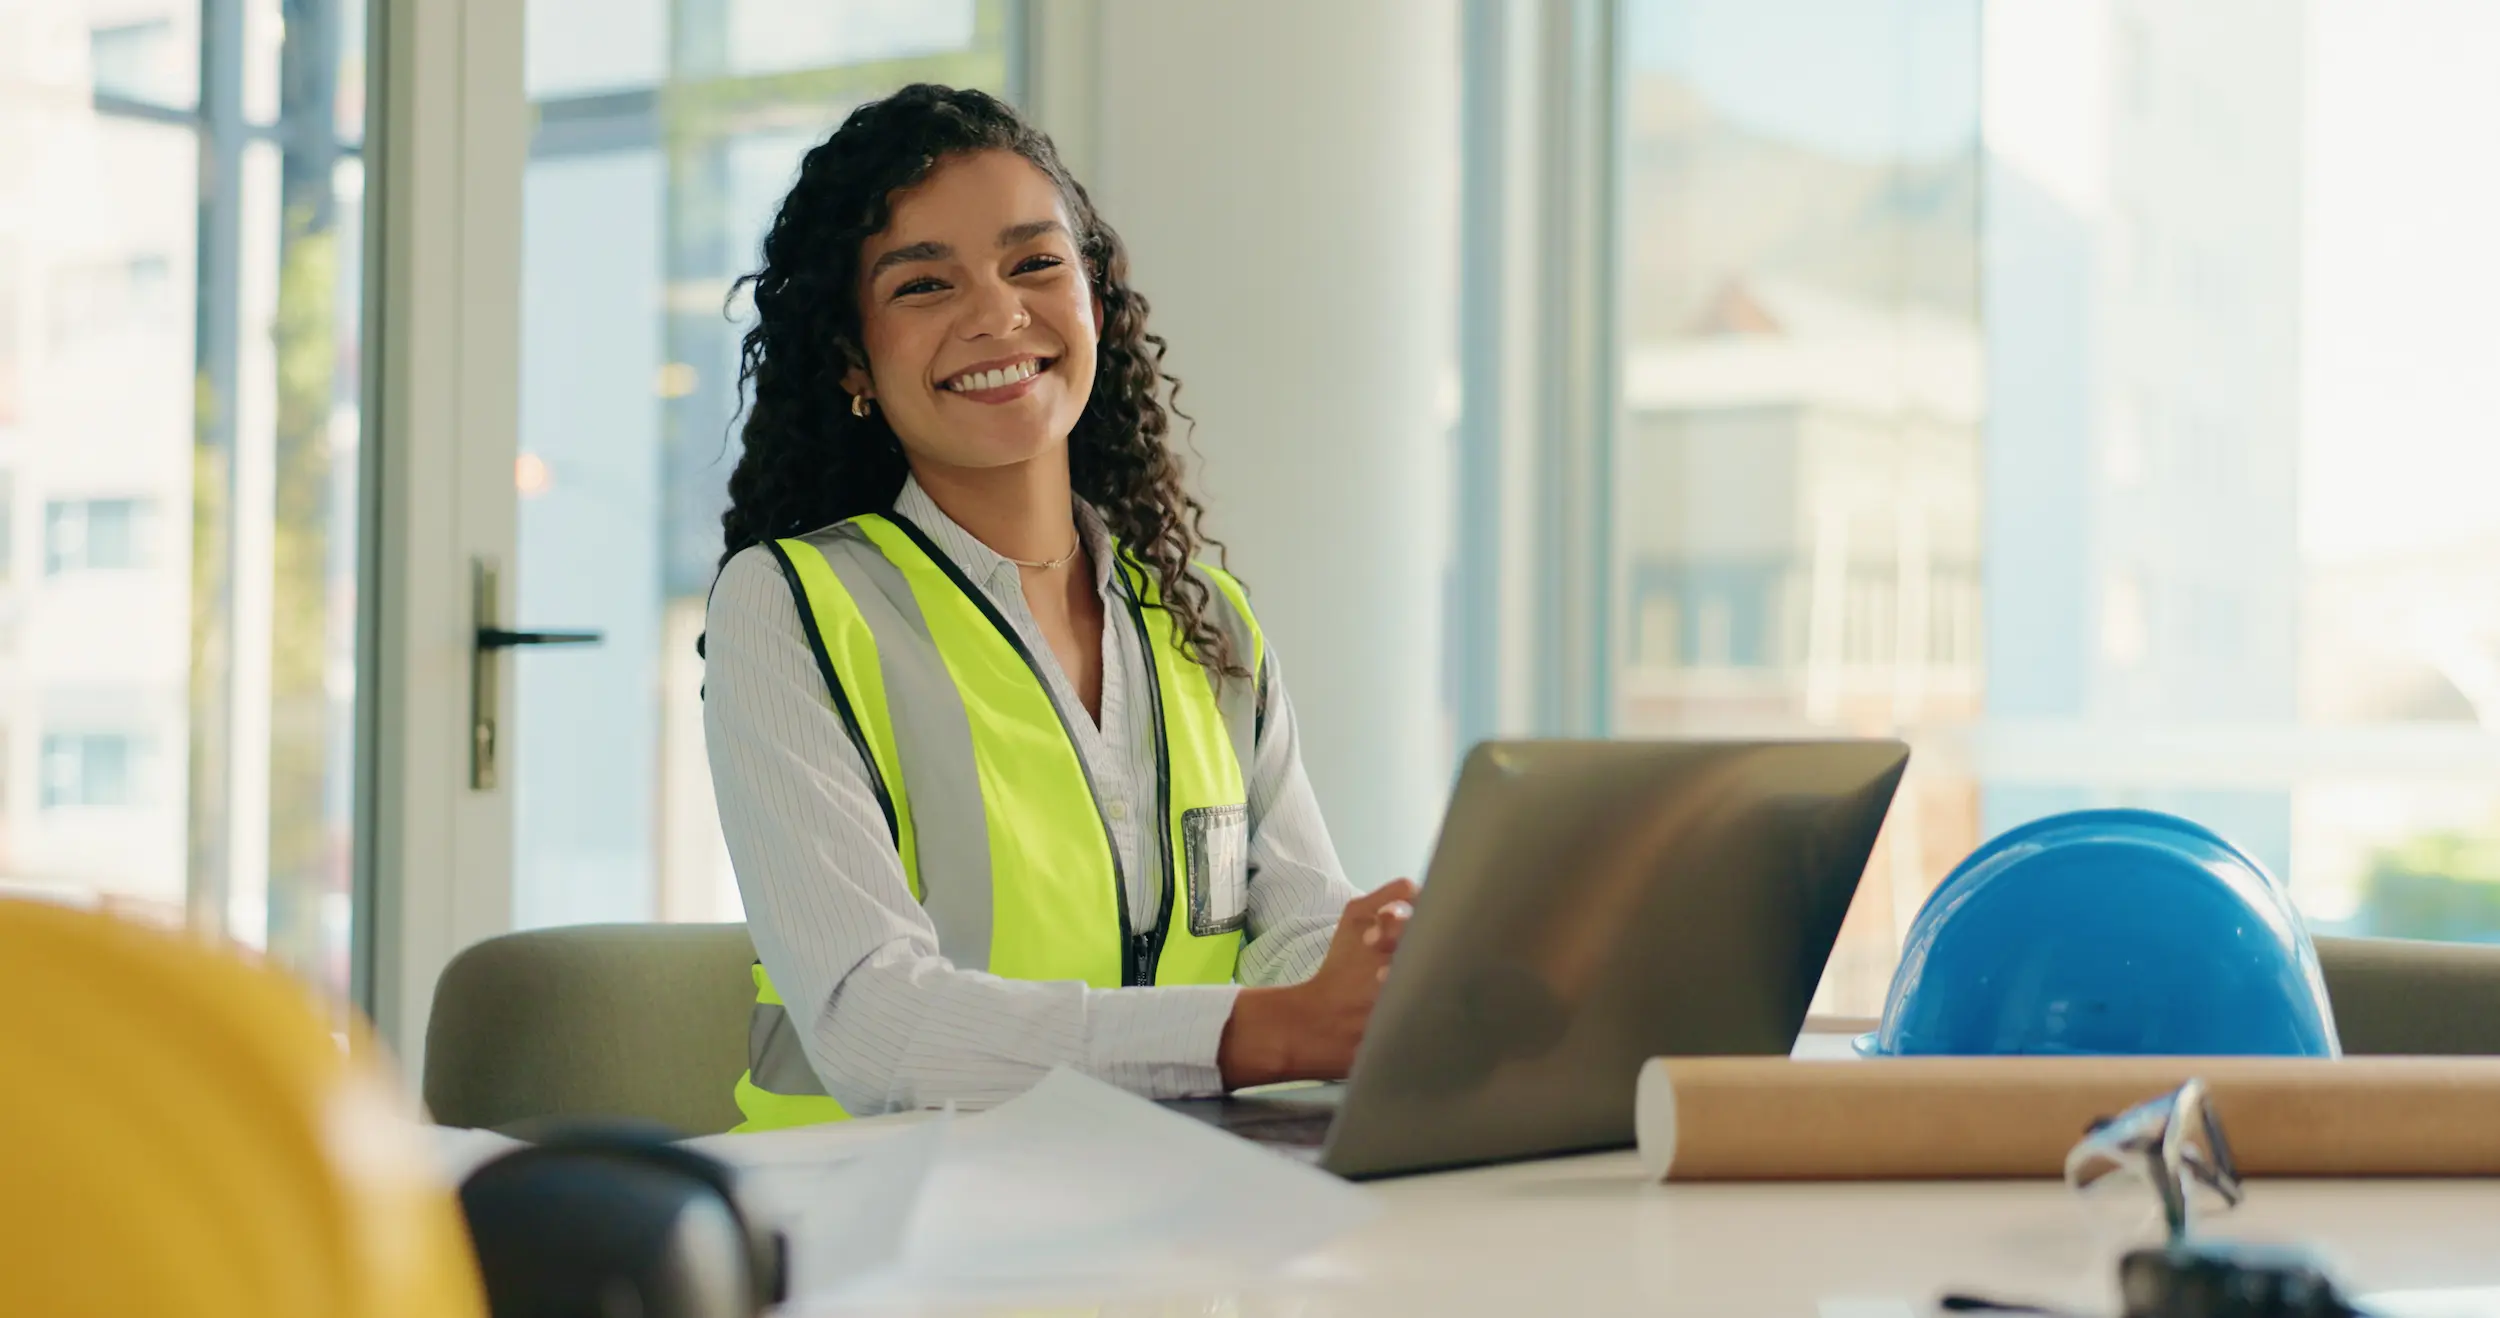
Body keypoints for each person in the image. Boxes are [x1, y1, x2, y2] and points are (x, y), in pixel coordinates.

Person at [703, 84, 1416, 1130]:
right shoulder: (791, 606)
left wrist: (1386, 974)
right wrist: (1258, 1032)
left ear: (1096, 302)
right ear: (852, 358)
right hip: (873, 1234)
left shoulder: (1201, 620)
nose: (996, 313)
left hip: (1165, 1209)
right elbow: (871, 1021)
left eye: (1034, 263)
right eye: (922, 286)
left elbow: (1291, 931)